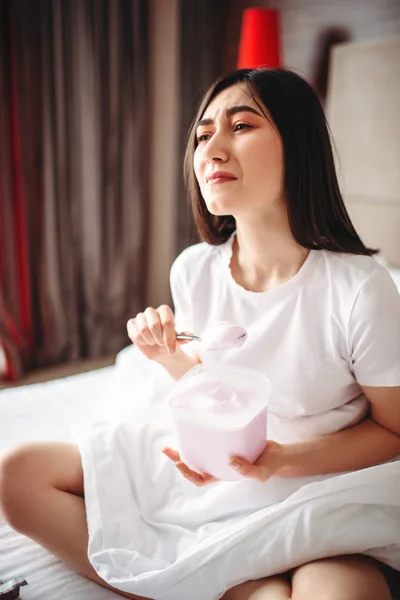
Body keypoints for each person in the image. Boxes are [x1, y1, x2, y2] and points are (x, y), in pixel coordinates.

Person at [1, 68, 400, 600]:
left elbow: (394, 433)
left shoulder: (358, 289)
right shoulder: (194, 270)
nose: (212, 147)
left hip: (322, 484)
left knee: (338, 593)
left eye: (241, 125)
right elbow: (217, 384)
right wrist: (171, 362)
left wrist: (282, 460)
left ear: (298, 145)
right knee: (18, 476)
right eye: (203, 134)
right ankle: (233, 584)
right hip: (230, 472)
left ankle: (221, 579)